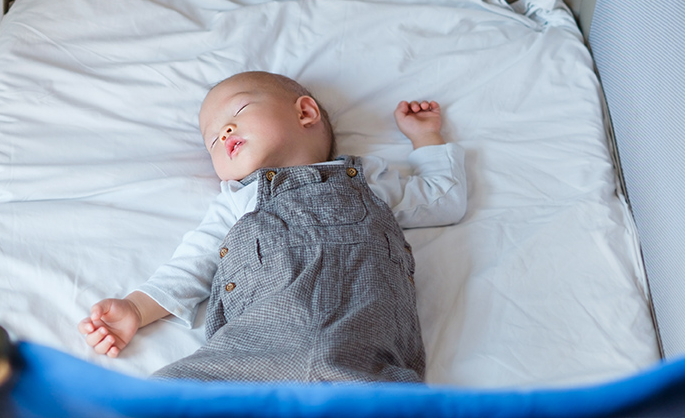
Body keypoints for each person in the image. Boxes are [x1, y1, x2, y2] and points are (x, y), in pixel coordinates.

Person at [78, 71, 466, 382]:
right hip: (252, 350)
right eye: (212, 139)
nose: (223, 133)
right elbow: (193, 262)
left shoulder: (367, 180)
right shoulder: (236, 202)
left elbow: (442, 200)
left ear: (305, 113)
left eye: (239, 111)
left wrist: (426, 137)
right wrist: (136, 308)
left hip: (362, 348)